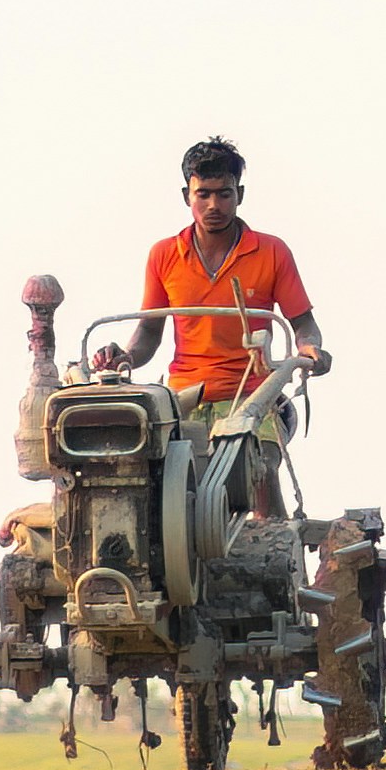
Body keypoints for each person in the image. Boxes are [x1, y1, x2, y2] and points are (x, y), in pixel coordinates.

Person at [99, 136, 329, 529]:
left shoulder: (271, 252)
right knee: (152, 489)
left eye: (224, 194)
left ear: (240, 195)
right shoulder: (164, 255)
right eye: (202, 194)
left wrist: (310, 350)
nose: (213, 205)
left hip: (253, 395)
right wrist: (125, 356)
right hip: (184, 398)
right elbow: (149, 331)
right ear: (186, 196)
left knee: (257, 469)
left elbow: (303, 324)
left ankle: (273, 551)